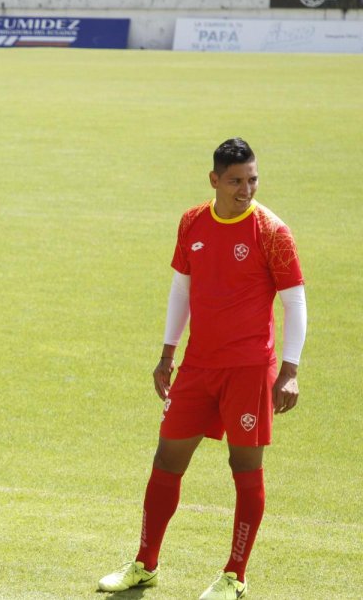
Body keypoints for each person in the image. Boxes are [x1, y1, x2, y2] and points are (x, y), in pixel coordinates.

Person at [97, 138, 307, 600]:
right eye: (235, 181)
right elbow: (181, 288)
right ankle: (145, 564)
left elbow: (295, 300)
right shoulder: (192, 221)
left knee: (244, 465)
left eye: (252, 180)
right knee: (167, 459)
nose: (245, 190)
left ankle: (235, 574)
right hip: (198, 366)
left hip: (249, 370)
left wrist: (288, 370)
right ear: (214, 180)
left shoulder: (272, 231)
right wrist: (168, 353)